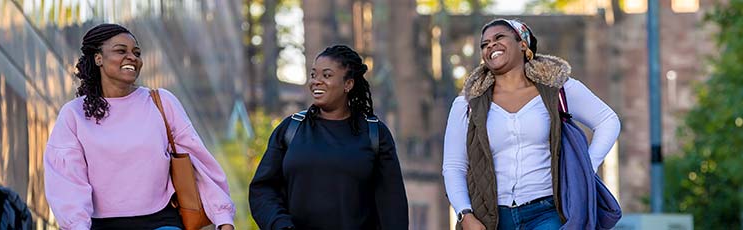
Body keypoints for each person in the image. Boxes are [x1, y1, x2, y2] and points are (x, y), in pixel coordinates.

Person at [44, 23, 235, 230]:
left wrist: (223, 218)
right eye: (120, 51)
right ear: (98, 58)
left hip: (162, 221)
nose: (132, 57)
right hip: (100, 225)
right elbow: (67, 181)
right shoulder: (74, 114)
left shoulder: (161, 102)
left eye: (136, 53)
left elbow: (198, 162)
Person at [442, 19, 622, 230]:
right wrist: (465, 214)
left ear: (523, 44)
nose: (490, 45)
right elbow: (454, 166)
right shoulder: (467, 103)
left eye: (499, 37)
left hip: (548, 211)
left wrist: (587, 166)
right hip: (492, 217)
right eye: (485, 44)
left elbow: (608, 121)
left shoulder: (558, 88)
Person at [249, 45, 409, 230]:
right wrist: (280, 225)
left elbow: (392, 206)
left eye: (326, 75)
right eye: (313, 75)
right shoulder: (290, 129)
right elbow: (262, 189)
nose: (316, 81)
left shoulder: (375, 134)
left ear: (348, 84)